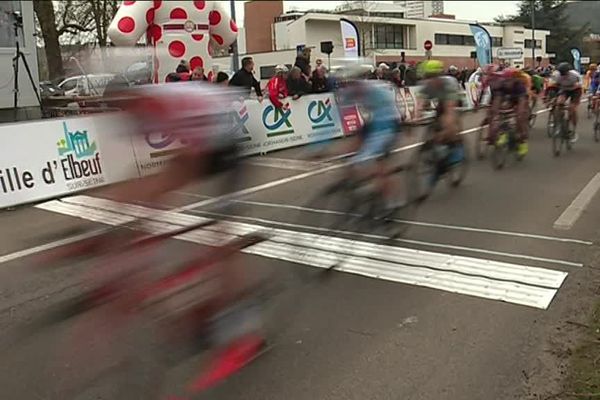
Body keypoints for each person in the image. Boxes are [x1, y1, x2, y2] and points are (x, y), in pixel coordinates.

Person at [338, 65, 403, 210]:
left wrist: (365, 155)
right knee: (349, 155)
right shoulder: (351, 91)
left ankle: (392, 202)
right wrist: (318, 147)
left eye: (355, 82)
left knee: (378, 166)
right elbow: (333, 116)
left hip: (389, 123)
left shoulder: (377, 91)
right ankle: (354, 188)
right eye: (349, 83)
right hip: (373, 121)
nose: (351, 86)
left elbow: (382, 131)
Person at [418, 60, 463, 161]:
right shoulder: (426, 85)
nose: (430, 80)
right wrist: (417, 116)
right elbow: (419, 103)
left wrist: (447, 127)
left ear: (440, 76)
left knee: (448, 123)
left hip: (451, 99)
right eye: (428, 77)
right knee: (436, 128)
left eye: (433, 76)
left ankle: (457, 146)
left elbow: (449, 110)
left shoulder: (448, 84)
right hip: (441, 101)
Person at [485, 66, 530, 157]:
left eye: (508, 80)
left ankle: (522, 142)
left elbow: (521, 103)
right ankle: (503, 132)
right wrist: (495, 113)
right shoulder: (501, 85)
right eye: (504, 80)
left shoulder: (520, 86)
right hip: (509, 99)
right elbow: (497, 100)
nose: (506, 82)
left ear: (514, 79)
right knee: (502, 110)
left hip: (520, 98)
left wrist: (520, 113)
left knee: (519, 117)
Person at [553, 62, 582, 141]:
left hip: (575, 90)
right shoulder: (557, 76)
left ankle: (574, 128)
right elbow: (555, 85)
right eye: (562, 73)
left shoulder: (574, 75)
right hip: (564, 90)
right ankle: (560, 122)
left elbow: (580, 84)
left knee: (572, 108)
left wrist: (575, 85)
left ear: (568, 71)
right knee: (559, 103)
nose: (563, 75)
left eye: (565, 73)